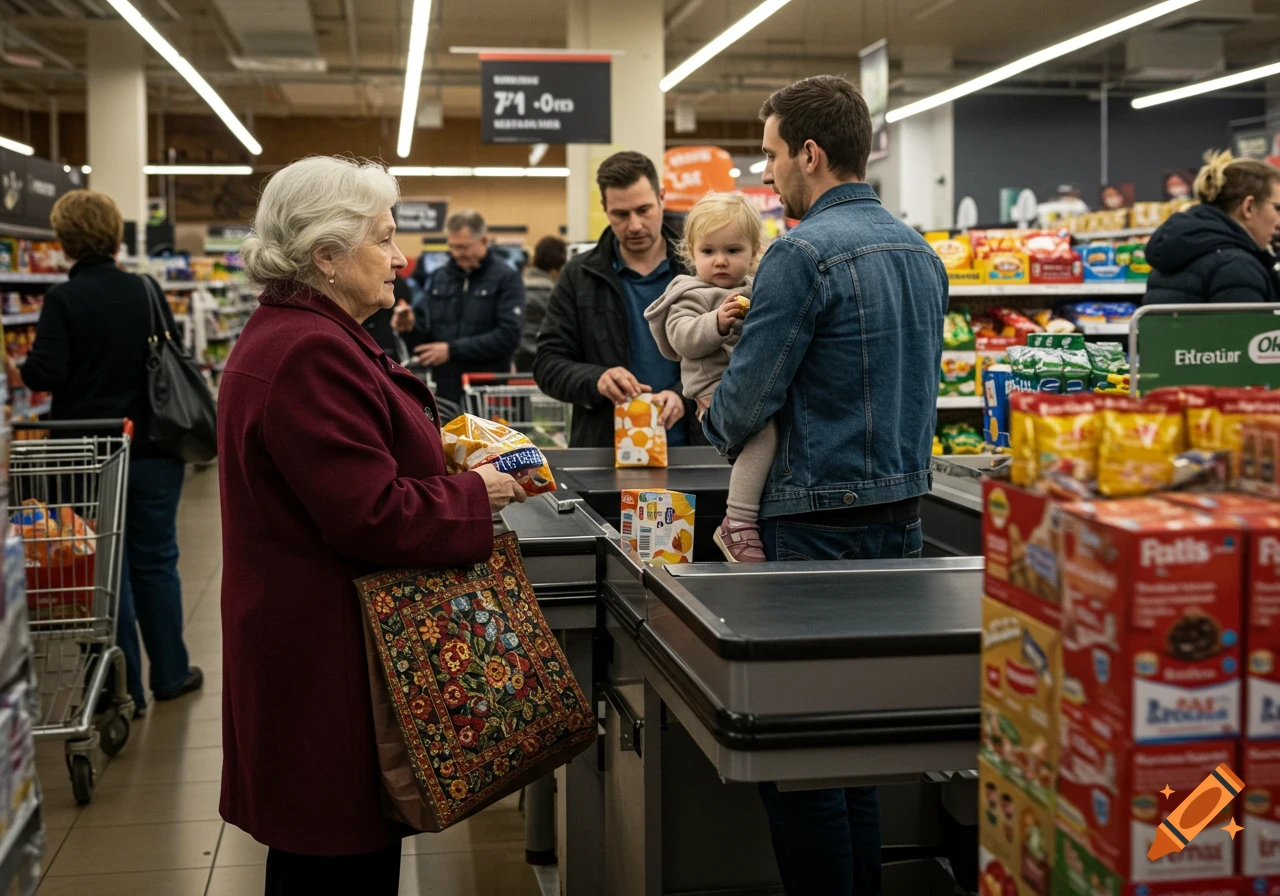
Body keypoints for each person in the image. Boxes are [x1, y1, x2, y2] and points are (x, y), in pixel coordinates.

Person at [218, 156, 526, 895]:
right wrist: (475, 492)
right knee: (333, 858)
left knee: (329, 849)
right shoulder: (309, 354)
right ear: (326, 255)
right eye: (384, 240)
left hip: (322, 637)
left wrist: (435, 451)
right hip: (327, 651)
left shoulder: (307, 335)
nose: (401, 259)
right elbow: (370, 514)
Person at [703, 75, 948, 895]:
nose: (767, 173)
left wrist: (708, 411)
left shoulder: (798, 254)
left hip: (810, 529)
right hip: (901, 527)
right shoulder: (920, 252)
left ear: (810, 153)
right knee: (855, 749)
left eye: (771, 154)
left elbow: (747, 403)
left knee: (800, 761)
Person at [20, 189, 202, 716]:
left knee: (103, 567)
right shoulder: (146, 290)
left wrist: (25, 372)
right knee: (157, 561)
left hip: (87, 453)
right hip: (152, 445)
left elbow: (45, 373)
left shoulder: (63, 300)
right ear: (115, 237)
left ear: (63, 242)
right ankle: (170, 673)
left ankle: (119, 689)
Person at [533, 151, 695, 447]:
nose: (634, 225)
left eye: (643, 210)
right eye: (620, 214)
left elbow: (732, 357)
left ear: (661, 197)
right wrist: (596, 379)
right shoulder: (578, 275)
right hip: (606, 457)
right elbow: (547, 364)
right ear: (605, 208)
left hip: (692, 450)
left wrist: (684, 393)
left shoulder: (698, 268)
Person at [643, 193, 771, 562]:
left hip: (746, 386)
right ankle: (739, 521)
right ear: (691, 253)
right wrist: (716, 321)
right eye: (709, 251)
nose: (720, 260)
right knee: (764, 437)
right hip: (713, 392)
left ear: (753, 252)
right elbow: (681, 338)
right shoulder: (690, 294)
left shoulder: (754, 290)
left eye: (733, 250)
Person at [392, 210, 526, 405]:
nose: (457, 254)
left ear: (484, 241)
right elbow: (425, 341)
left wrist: (451, 351)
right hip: (444, 391)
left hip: (486, 392)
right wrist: (408, 328)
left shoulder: (507, 279)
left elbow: (509, 336)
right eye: (453, 247)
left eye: (464, 247)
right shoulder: (439, 278)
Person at [1144, 150, 1280, 305]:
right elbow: (1250, 330)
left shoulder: (1174, 252)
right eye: (1277, 208)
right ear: (1248, 207)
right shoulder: (1237, 266)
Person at [516, 235, 567, 372]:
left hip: (518, 356)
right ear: (556, 269)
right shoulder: (556, 294)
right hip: (547, 359)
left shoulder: (517, 286)